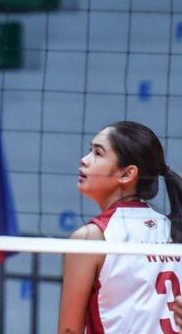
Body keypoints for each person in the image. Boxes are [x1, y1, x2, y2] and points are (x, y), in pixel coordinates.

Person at [58, 121, 182, 333]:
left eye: (98, 153)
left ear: (127, 174)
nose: (84, 160)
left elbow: (69, 330)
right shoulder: (174, 230)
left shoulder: (91, 238)